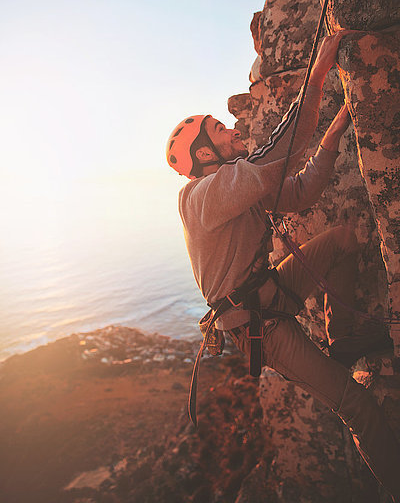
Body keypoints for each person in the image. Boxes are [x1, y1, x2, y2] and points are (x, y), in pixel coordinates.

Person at [166, 31, 400, 501]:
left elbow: (300, 191)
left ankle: (345, 337)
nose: (231, 128)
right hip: (260, 328)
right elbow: (277, 154)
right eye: (218, 129)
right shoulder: (200, 198)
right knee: (356, 404)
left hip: (270, 292)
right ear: (206, 154)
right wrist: (317, 76)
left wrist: (335, 131)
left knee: (340, 240)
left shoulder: (235, 185)